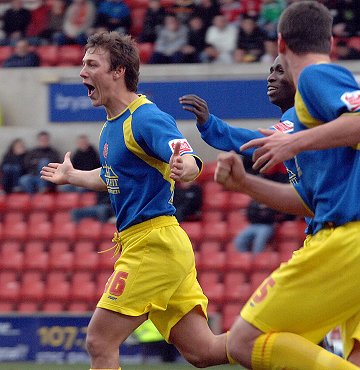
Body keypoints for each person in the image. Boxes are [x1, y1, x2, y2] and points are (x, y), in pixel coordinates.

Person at [40, 31, 232, 370]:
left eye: (91, 64)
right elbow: (111, 176)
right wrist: (73, 177)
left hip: (152, 245)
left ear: (119, 71)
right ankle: (280, 338)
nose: (82, 72)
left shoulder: (145, 117)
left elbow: (185, 157)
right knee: (205, 352)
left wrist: (186, 167)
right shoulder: (111, 126)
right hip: (157, 245)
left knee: (100, 340)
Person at [217, 2, 360, 368]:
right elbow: (308, 201)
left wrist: (292, 143)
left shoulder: (315, 76)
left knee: (244, 341)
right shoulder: (306, 118)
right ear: (329, 40)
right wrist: (245, 183)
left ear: (280, 42)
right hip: (343, 235)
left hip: (347, 241)